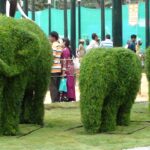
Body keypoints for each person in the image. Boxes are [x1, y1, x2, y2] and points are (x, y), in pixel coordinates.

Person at [49, 31, 62, 102]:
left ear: (53, 37)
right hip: (58, 68)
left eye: (50, 37)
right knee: (57, 85)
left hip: (53, 68)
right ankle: (57, 101)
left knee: (52, 86)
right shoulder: (59, 45)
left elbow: (52, 56)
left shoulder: (54, 45)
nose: (49, 38)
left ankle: (54, 101)